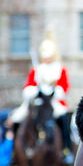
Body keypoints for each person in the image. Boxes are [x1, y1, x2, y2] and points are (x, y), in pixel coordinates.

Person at [10, 30, 74, 164]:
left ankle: (66, 150)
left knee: (64, 118)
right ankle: (13, 152)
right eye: (44, 55)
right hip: (37, 100)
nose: (46, 58)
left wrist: (52, 90)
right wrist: (34, 90)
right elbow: (28, 86)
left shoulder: (60, 68)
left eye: (48, 56)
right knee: (17, 118)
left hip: (53, 101)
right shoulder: (36, 69)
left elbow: (64, 87)